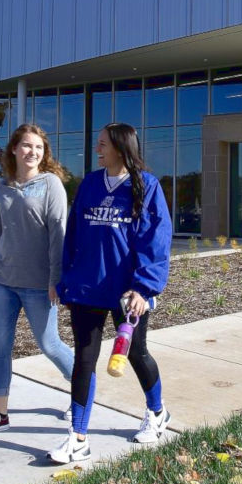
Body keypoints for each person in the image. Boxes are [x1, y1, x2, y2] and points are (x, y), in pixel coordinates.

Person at [52, 122, 173, 465]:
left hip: (128, 293)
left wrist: (144, 287)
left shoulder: (146, 186)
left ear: (120, 147)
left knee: (137, 354)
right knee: (84, 361)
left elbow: (157, 239)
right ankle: (78, 437)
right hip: (88, 288)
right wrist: (67, 279)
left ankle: (157, 412)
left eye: (102, 144)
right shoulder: (90, 184)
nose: (97, 149)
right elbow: (73, 233)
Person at [0, 124, 78, 436]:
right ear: (14, 149)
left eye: (39, 147)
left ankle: (82, 389)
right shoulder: (2, 188)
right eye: (27, 146)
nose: (33, 152)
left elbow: (59, 234)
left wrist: (56, 279)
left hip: (39, 284)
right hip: (2, 280)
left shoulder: (51, 184)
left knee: (49, 344)